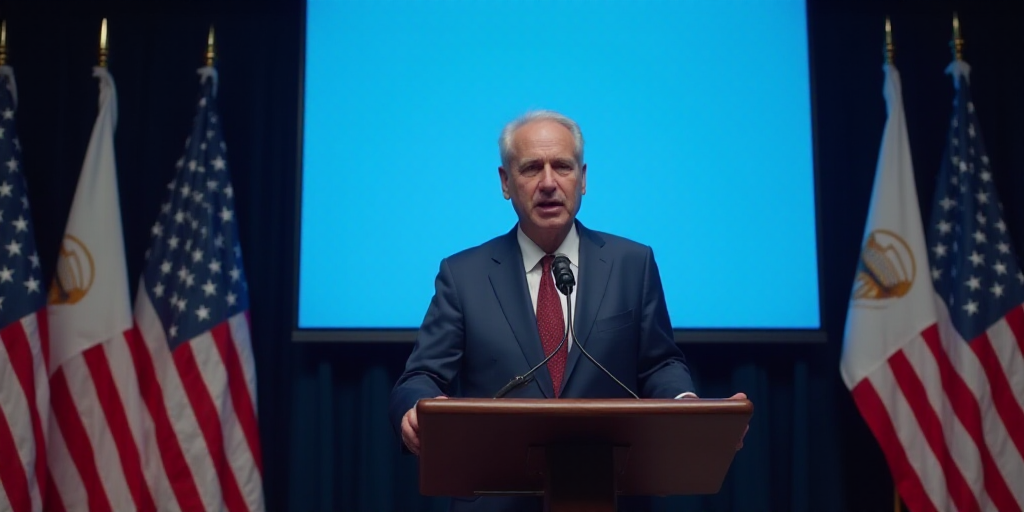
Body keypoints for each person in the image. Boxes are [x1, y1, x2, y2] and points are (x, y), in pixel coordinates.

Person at [389, 110, 745, 512]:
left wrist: (686, 406)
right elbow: (420, 377)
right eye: (530, 169)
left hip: (607, 493)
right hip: (496, 497)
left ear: (583, 178)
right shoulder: (463, 275)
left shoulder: (633, 263)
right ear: (506, 182)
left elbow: (660, 364)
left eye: (562, 166)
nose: (547, 183)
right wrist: (413, 409)